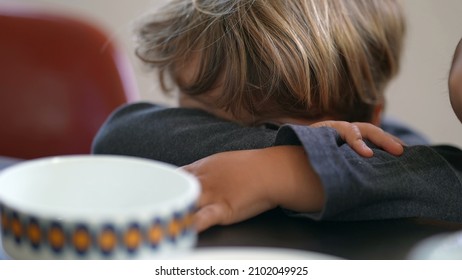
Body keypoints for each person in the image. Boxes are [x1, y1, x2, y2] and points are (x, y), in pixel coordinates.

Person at [92, 0, 462, 231]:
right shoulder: (144, 131)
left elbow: (439, 178)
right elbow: (119, 136)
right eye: (201, 120)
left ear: (370, 120)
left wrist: (289, 168)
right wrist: (297, 153)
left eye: (272, 127)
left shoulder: (398, 154)